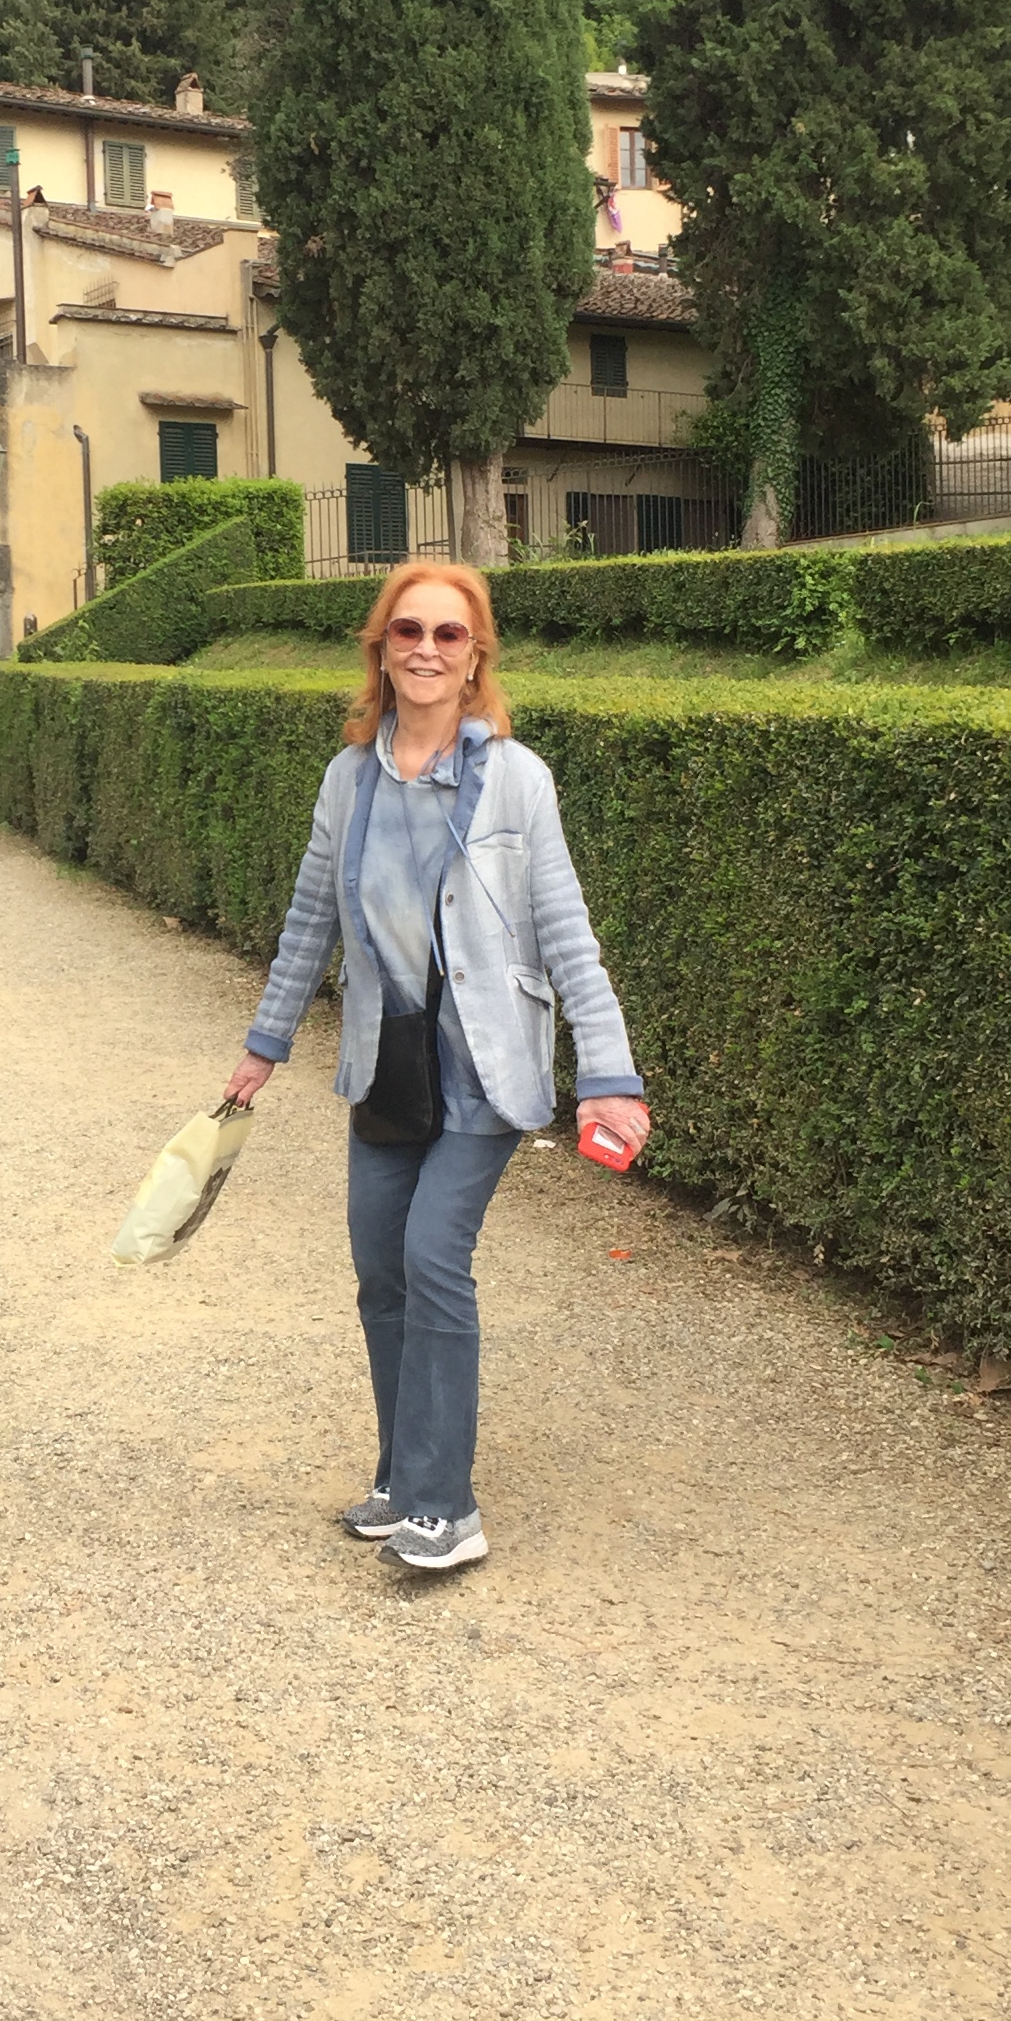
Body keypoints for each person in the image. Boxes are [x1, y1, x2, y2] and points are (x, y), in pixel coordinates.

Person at [225, 564, 650, 1575]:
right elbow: (309, 922)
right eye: (407, 630)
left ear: (475, 656)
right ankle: (400, 1476)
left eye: (448, 635)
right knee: (380, 1270)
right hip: (388, 1060)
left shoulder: (517, 778)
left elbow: (567, 933)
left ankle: (446, 1508)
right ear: (380, 648)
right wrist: (263, 1046)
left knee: (431, 1257)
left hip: (484, 1065)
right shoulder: (350, 780)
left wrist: (610, 1074)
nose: (425, 648)